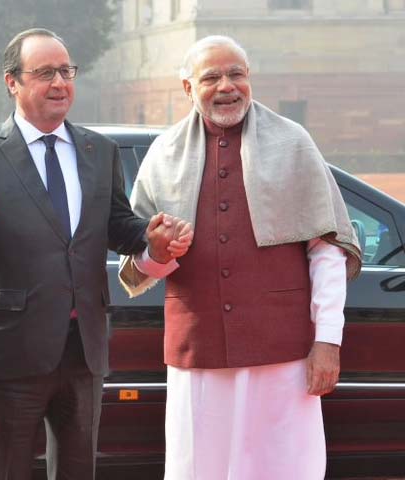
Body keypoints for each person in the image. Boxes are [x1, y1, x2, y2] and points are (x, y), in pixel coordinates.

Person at [0, 28, 190, 480]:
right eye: (44, 73)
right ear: (12, 82)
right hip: (13, 350)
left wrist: (151, 240)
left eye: (66, 71)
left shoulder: (100, 150)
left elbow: (118, 225)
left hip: (84, 348)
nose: (59, 82)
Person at [119, 35, 362, 479]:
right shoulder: (163, 154)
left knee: (283, 467)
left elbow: (326, 252)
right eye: (211, 77)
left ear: (250, 80)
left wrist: (327, 342)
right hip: (199, 352)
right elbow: (140, 267)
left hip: (283, 353)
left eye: (237, 74)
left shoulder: (294, 143)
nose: (227, 86)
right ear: (189, 89)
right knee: (200, 467)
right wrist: (158, 251)